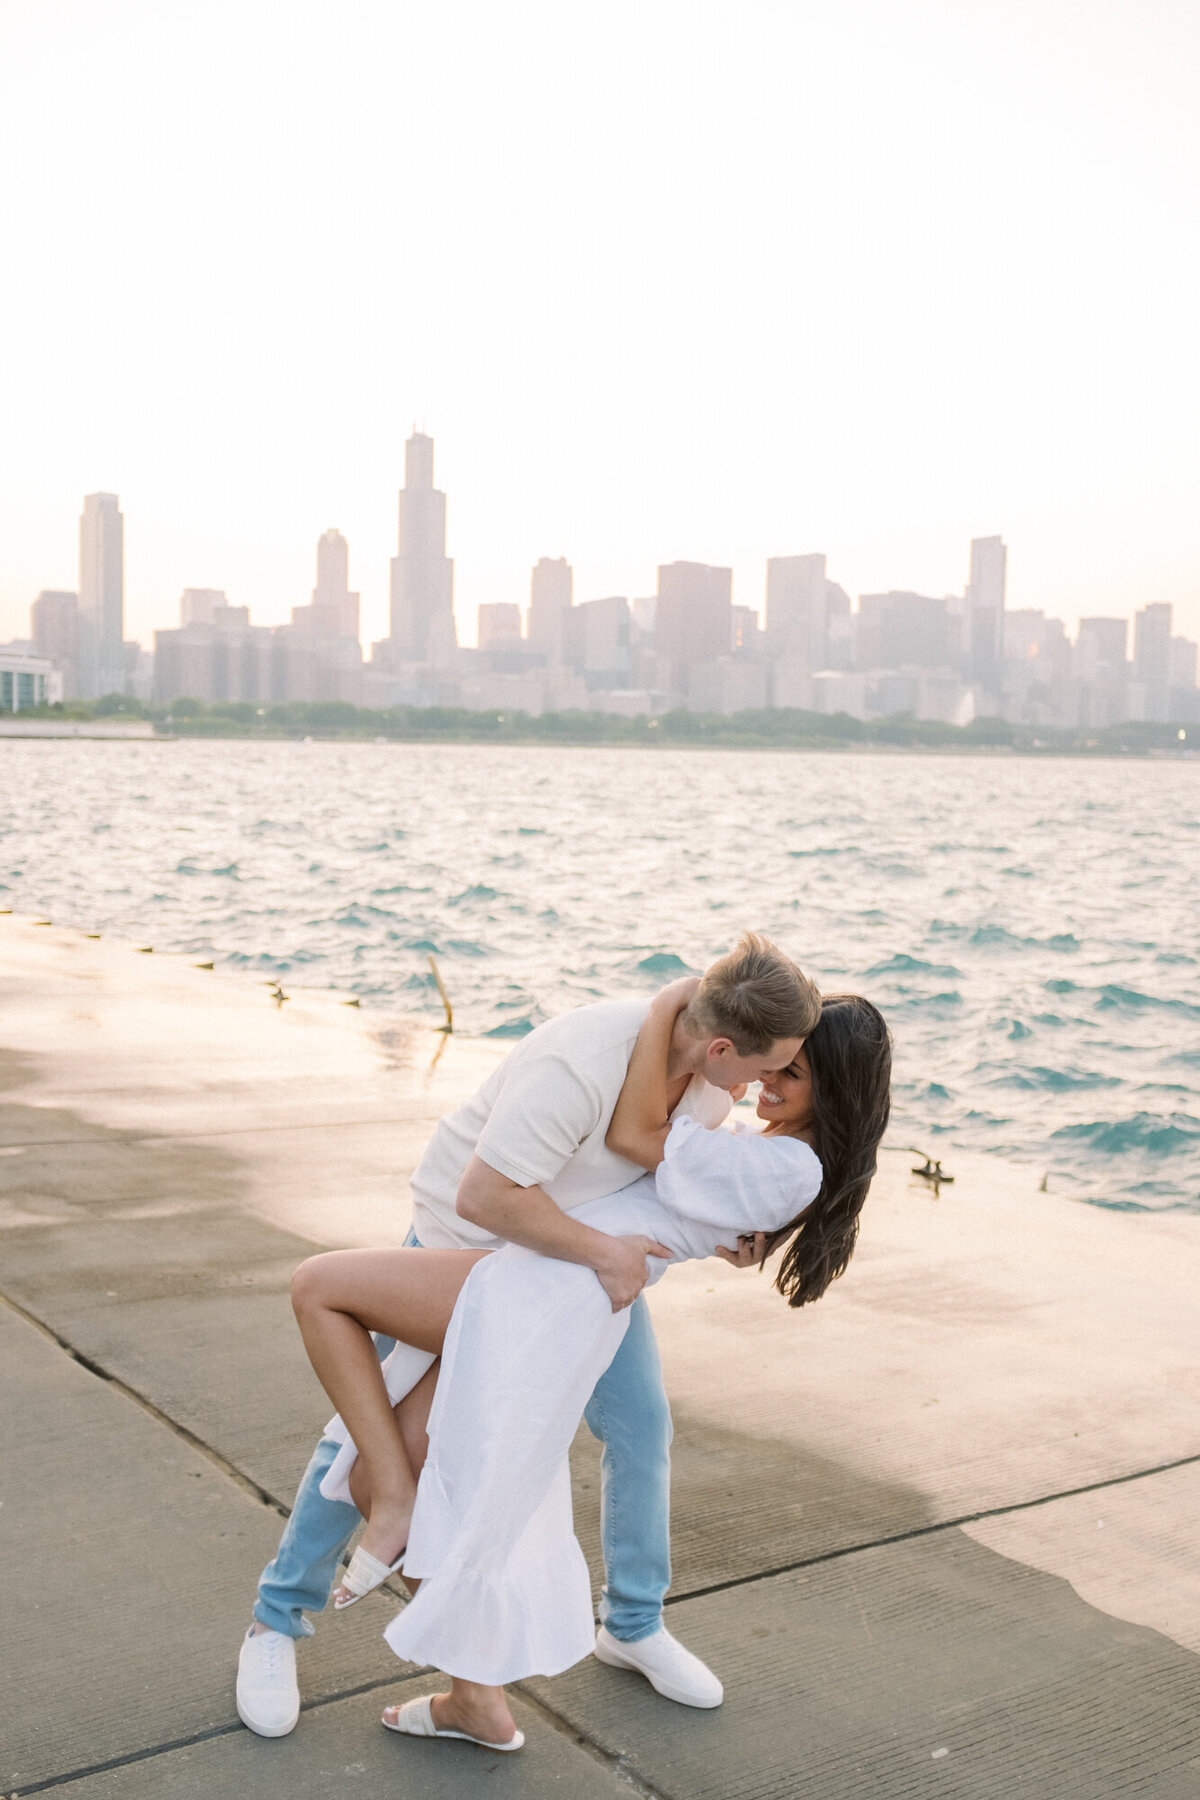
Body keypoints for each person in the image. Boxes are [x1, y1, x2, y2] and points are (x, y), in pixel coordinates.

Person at [236, 933, 821, 1736]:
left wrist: (714, 1228)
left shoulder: (708, 1086)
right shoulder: (583, 1061)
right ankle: (277, 1620)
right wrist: (604, 1254)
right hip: (466, 1246)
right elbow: (485, 1197)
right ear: (721, 1046)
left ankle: (633, 1626)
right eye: (766, 1066)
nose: (766, 1084)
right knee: (371, 1441)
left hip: (573, 1274)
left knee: (641, 1426)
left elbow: (651, 1165)